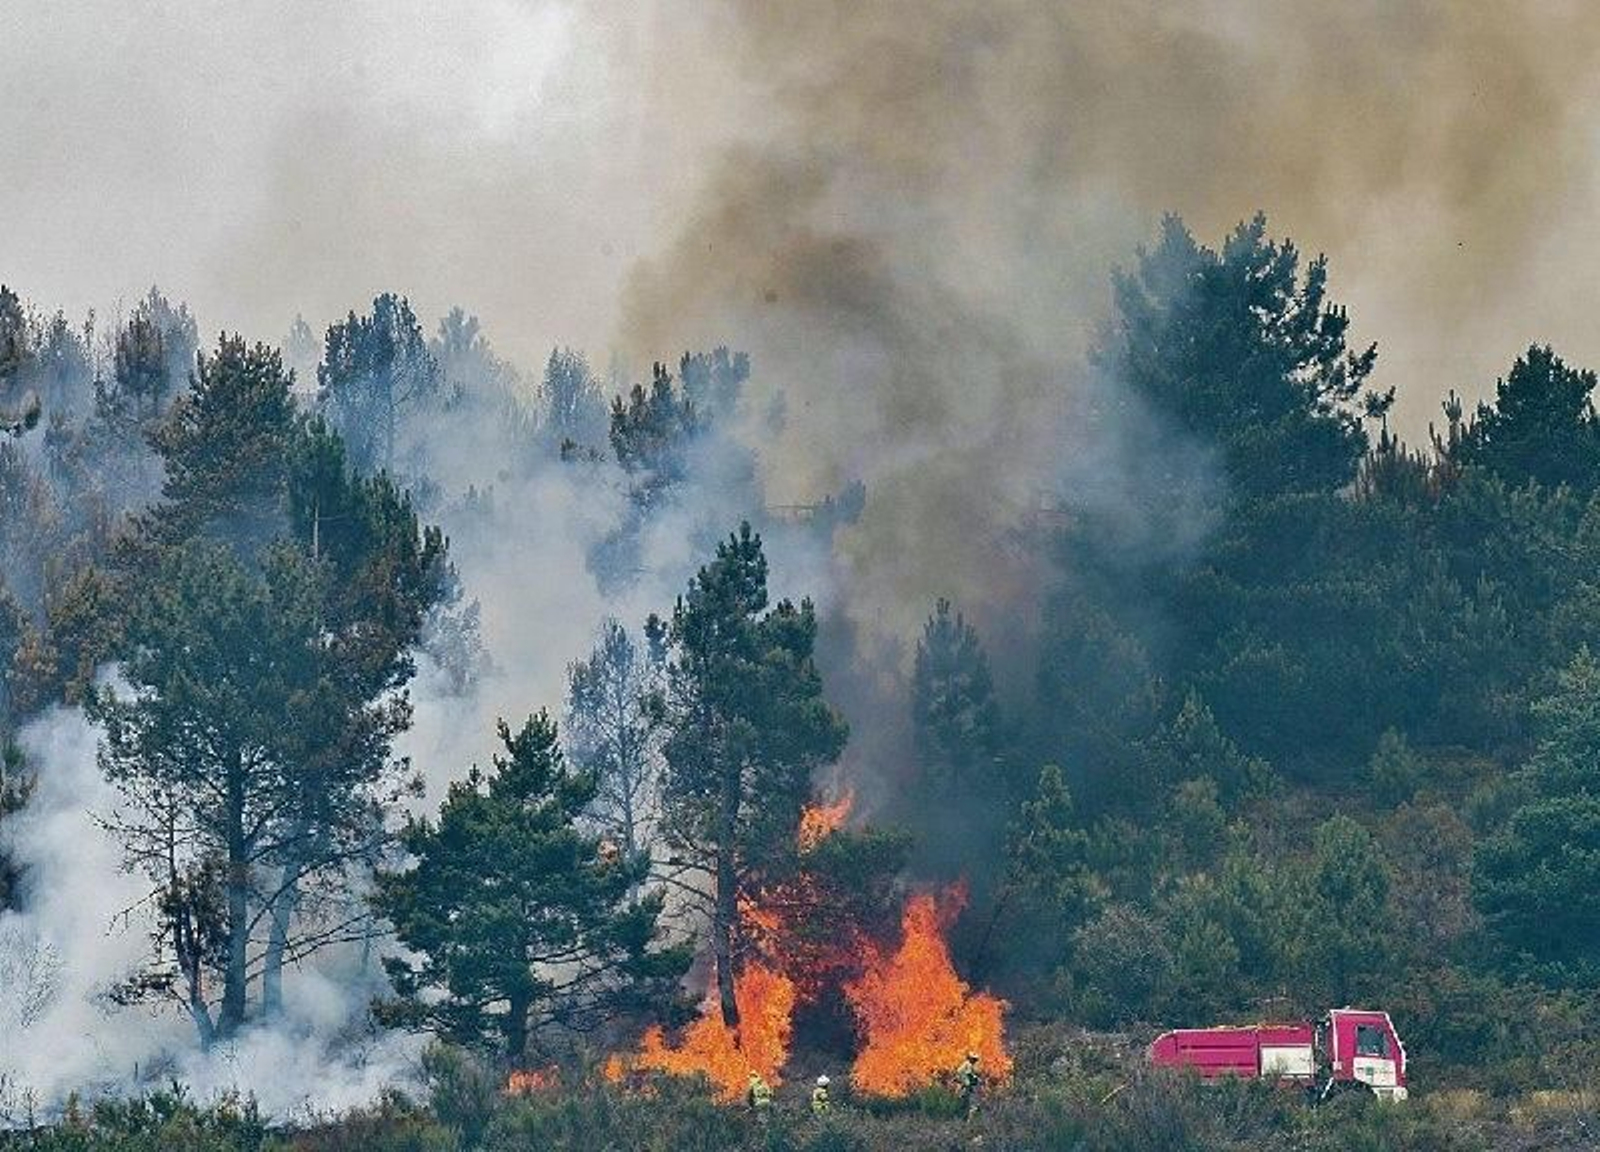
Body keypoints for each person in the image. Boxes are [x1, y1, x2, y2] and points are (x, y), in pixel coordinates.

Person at [954, 1051, 981, 1119]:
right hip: (963, 1085)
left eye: (975, 1059)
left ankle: (962, 1116)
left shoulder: (966, 1064)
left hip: (962, 1084)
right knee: (965, 1101)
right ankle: (964, 1117)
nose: (975, 1061)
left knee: (963, 1101)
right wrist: (975, 1080)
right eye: (973, 1059)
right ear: (970, 1058)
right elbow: (969, 1074)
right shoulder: (968, 1064)